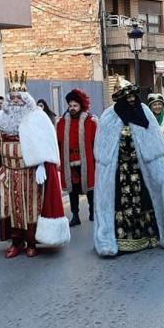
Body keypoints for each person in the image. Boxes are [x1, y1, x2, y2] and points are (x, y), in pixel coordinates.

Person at [93, 78, 164, 257]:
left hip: (144, 171)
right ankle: (119, 240)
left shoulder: (145, 113)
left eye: (134, 96)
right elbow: (103, 152)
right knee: (120, 203)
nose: (132, 100)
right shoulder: (108, 117)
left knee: (147, 201)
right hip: (119, 173)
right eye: (128, 97)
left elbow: (156, 145)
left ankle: (152, 235)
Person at [0, 72, 70, 258]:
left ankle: (32, 242)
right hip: (7, 174)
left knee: (30, 209)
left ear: (26, 98)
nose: (16, 100)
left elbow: (45, 143)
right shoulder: (0, 119)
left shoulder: (38, 117)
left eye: (19, 97)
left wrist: (42, 163)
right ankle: (16, 242)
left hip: (30, 173)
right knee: (9, 208)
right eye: (13, 97)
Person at [56, 89, 99, 227]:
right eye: (70, 106)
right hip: (68, 160)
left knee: (89, 188)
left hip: (86, 159)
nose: (72, 108)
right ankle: (75, 215)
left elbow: (96, 142)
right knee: (72, 190)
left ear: (81, 106)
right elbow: (57, 142)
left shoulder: (90, 121)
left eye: (75, 105)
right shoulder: (61, 122)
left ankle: (92, 212)